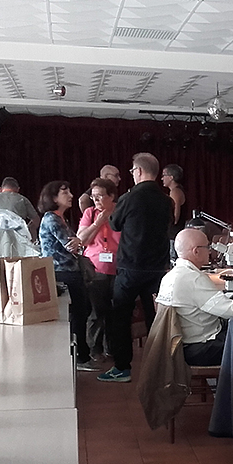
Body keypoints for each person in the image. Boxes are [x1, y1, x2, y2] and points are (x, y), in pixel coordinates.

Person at [98, 153, 174, 383]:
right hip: (157, 269)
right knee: (156, 319)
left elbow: (114, 224)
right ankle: (159, 369)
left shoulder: (130, 198)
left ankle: (122, 368)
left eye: (132, 171)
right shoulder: (166, 201)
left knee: (121, 317)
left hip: (131, 267)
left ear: (139, 171)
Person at [156, 228, 233, 366]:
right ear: (196, 251)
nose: (210, 251)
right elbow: (231, 311)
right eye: (207, 247)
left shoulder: (170, 276)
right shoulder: (193, 279)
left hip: (184, 346)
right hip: (201, 349)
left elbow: (214, 305)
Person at [37, 181, 97, 371]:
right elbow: (71, 245)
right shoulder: (52, 219)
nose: (71, 195)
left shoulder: (60, 218)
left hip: (69, 272)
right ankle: (80, 357)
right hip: (63, 274)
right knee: (78, 314)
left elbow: (77, 244)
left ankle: (81, 354)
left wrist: (79, 241)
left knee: (82, 312)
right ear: (53, 197)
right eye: (65, 192)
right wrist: (80, 241)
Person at [76, 178, 120, 361]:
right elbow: (81, 240)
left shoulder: (120, 212)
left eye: (100, 196)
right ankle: (95, 348)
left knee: (116, 311)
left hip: (118, 268)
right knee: (97, 311)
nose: (96, 200)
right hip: (95, 269)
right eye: (93, 197)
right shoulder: (90, 213)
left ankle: (113, 348)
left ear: (111, 196)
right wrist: (97, 223)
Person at [162, 163, 186, 230]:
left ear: (171, 177)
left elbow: (175, 218)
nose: (162, 178)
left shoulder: (175, 192)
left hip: (175, 232)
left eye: (164, 175)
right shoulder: (177, 190)